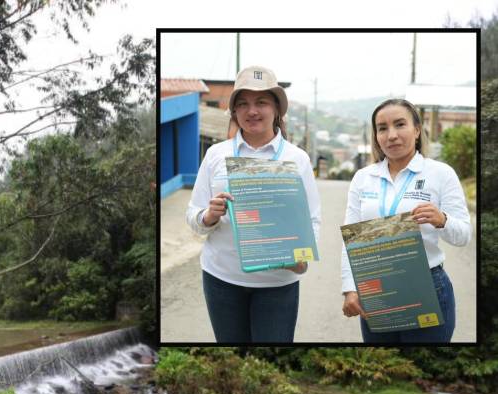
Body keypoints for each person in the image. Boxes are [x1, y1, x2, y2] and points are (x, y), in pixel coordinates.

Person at [186, 65, 321, 343]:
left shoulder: (297, 159)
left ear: (277, 110)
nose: (252, 111)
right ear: (234, 111)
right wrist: (208, 216)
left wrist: (301, 257)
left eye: (261, 102)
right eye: (243, 103)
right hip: (221, 279)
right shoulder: (215, 155)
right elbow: (193, 215)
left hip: (278, 284)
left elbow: (313, 221)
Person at [341, 98, 472, 343]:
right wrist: (349, 288)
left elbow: (464, 235)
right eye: (382, 128)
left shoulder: (440, 174)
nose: (391, 135)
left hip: (427, 287)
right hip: (376, 288)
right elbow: (351, 240)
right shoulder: (363, 178)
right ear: (376, 135)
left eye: (400, 124)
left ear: (417, 130)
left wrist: (442, 220)